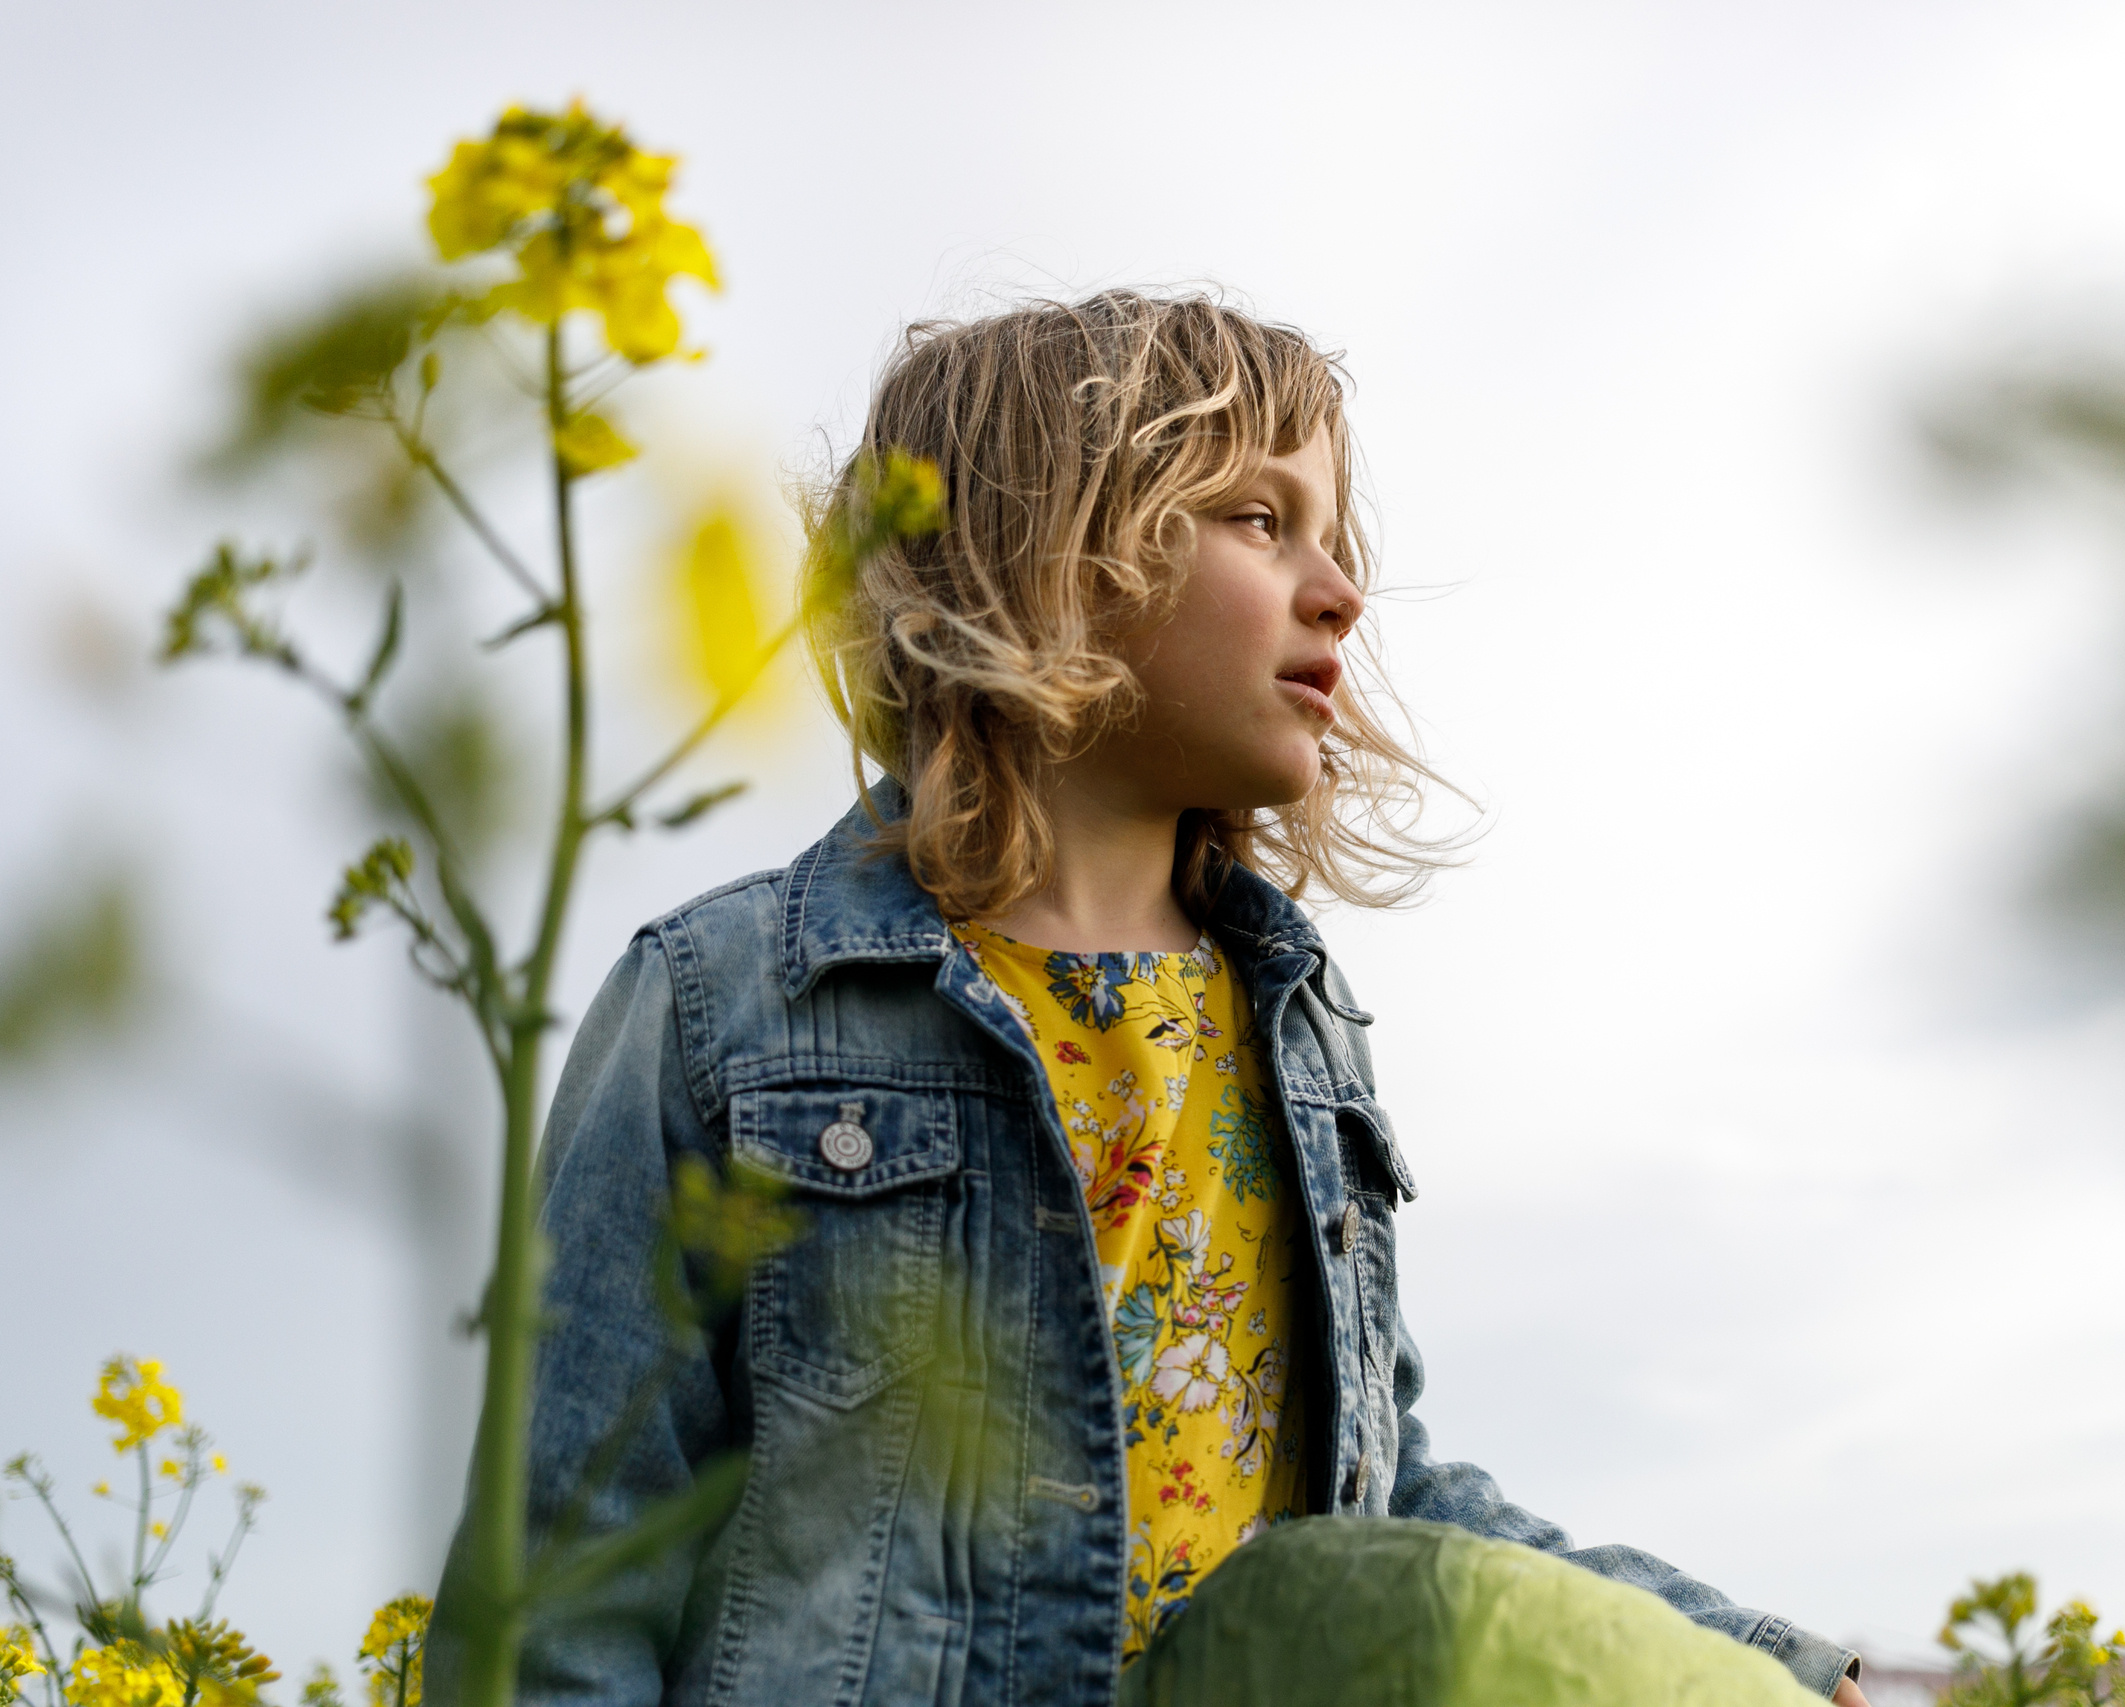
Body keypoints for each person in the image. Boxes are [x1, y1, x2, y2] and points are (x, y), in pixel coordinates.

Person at [457, 291, 1870, 1706]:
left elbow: (1388, 1496)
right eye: (1262, 520)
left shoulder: (1302, 1027)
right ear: (1048, 556)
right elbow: (562, 1594)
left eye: (1333, 536)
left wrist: (1771, 1668)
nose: (1340, 591)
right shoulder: (722, 1002)